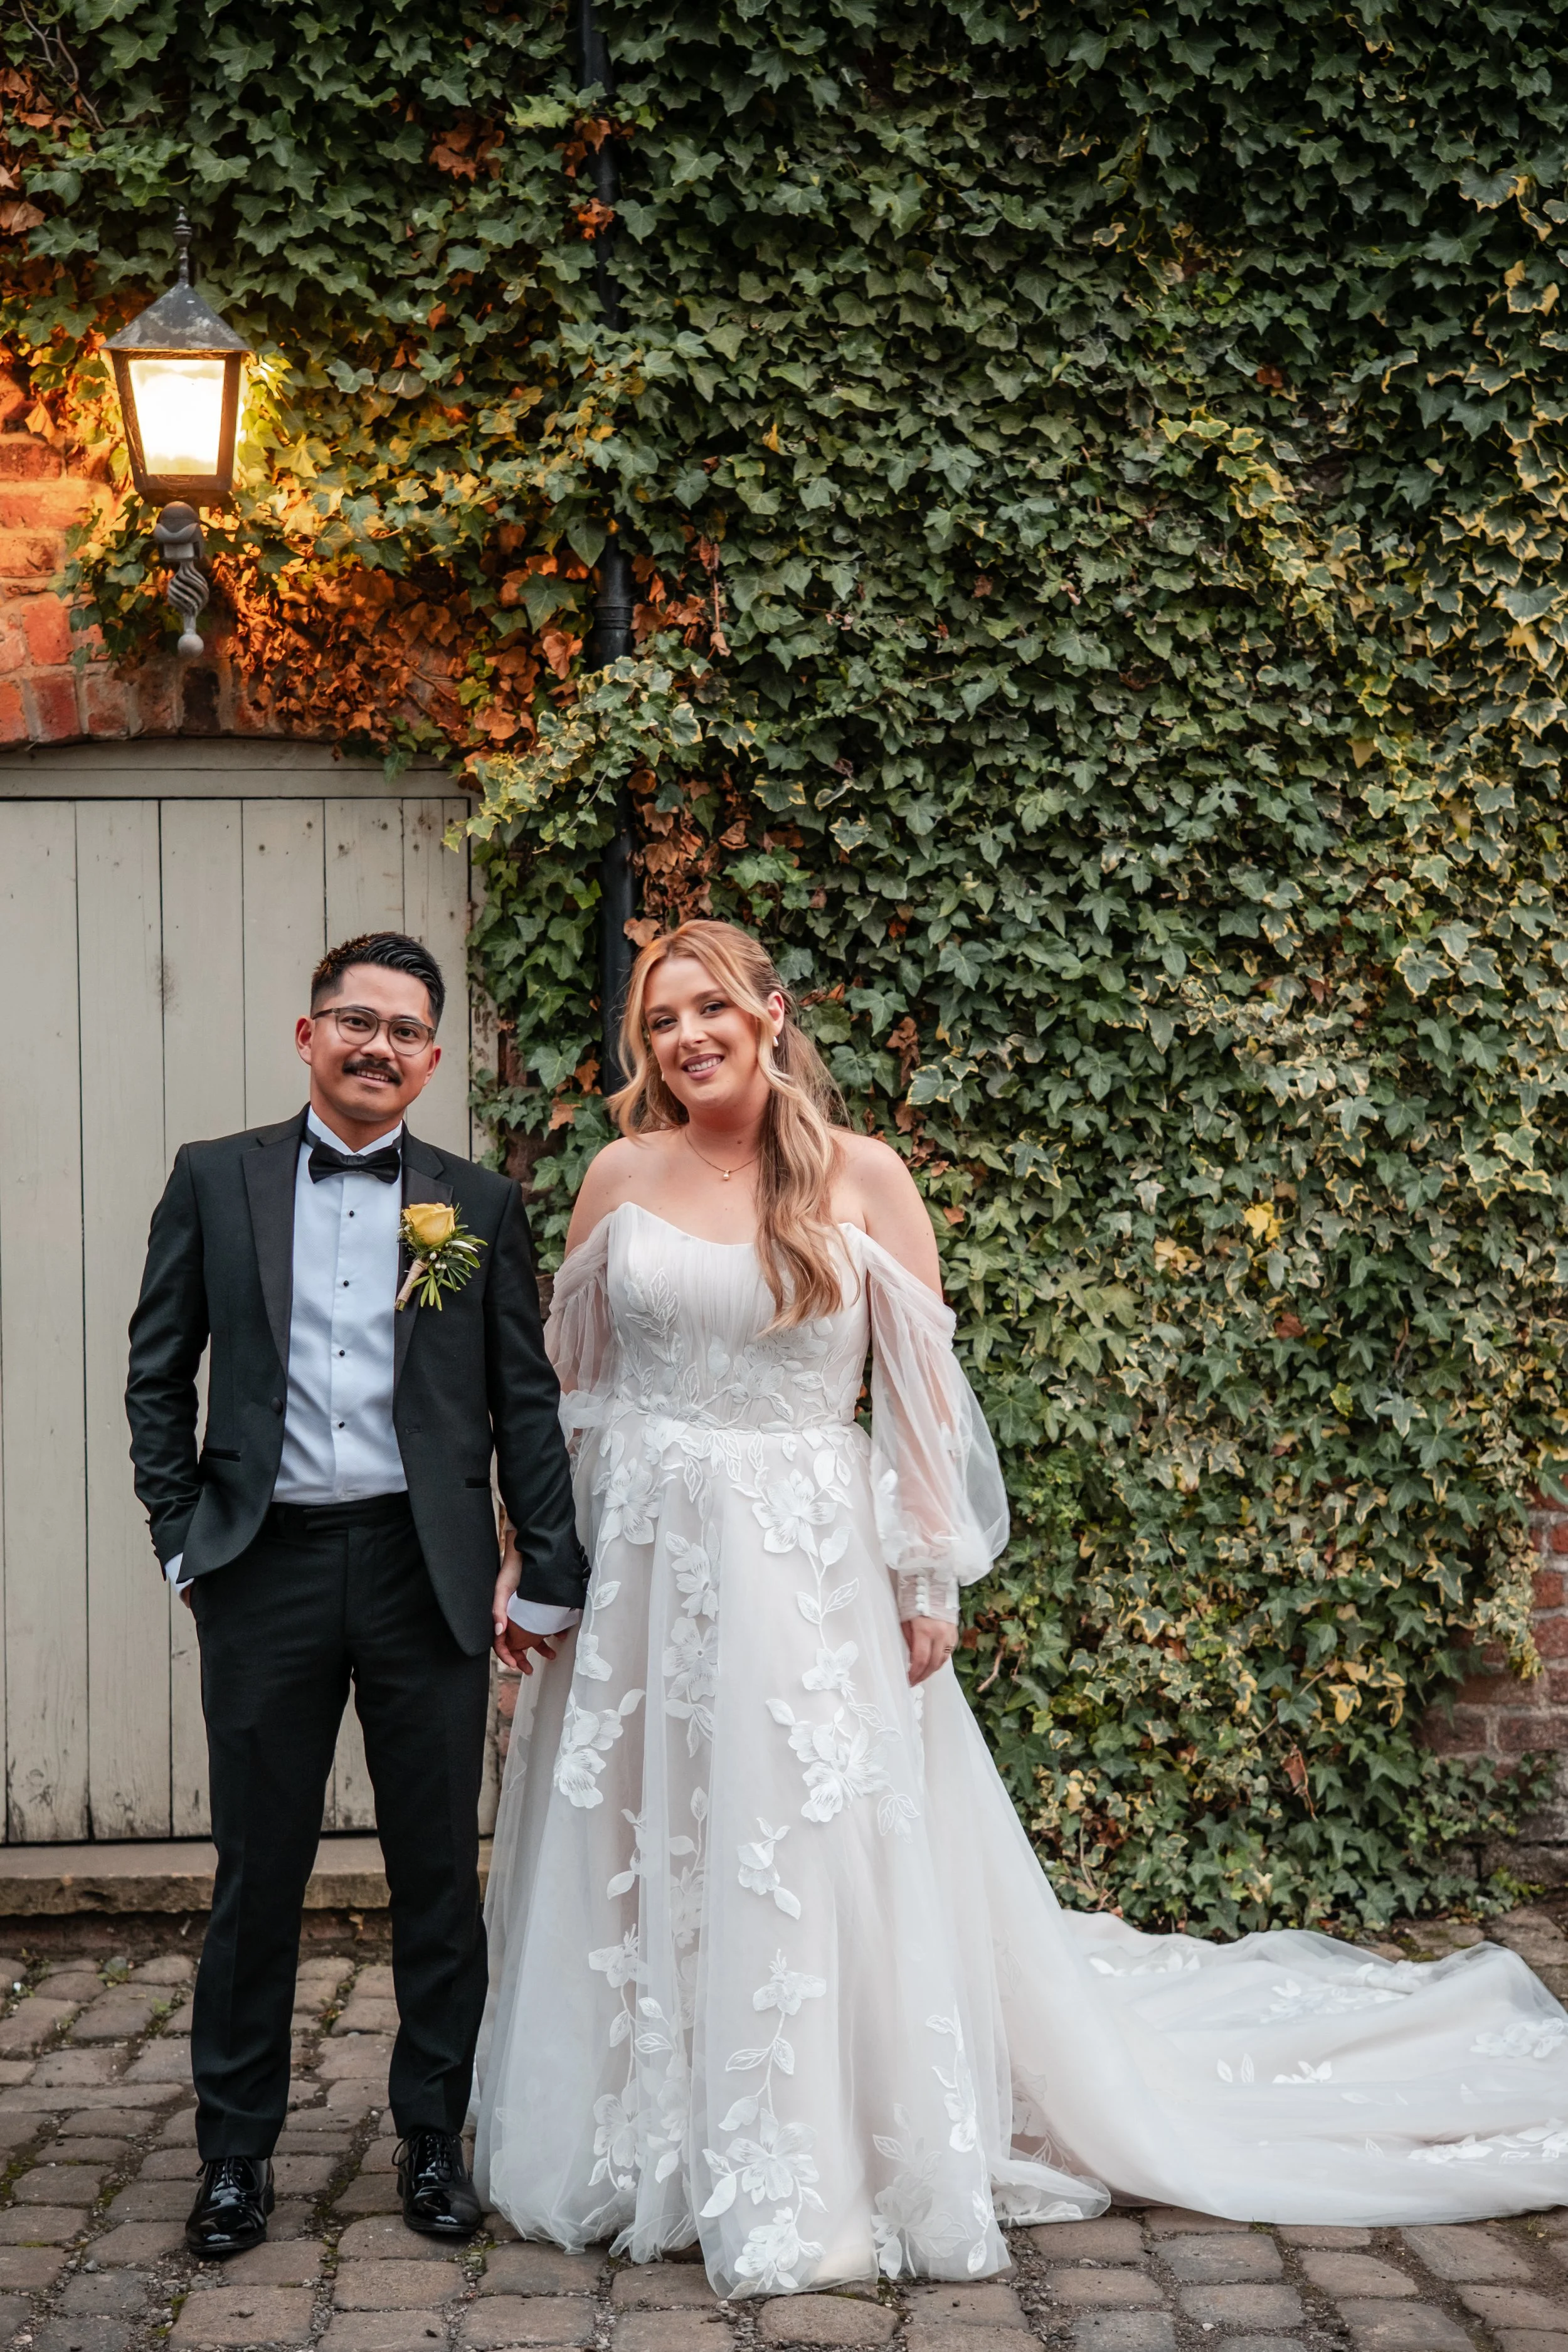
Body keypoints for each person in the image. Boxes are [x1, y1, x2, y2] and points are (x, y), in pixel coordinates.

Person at [474, 916, 1568, 2297]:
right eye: (658, 1022)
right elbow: (567, 1393)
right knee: (645, 1833)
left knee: (793, 1843)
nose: (684, 1038)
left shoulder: (861, 1177)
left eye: (706, 1009)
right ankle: (638, 2141)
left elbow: (920, 1407)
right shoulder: (616, 1173)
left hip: (802, 1566)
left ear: (767, 1011)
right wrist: (538, 1555)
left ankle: (796, 2157)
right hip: (640, 1564)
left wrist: (924, 1576)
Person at [126, 931, 585, 2258]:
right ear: (308, 1035)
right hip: (260, 1569)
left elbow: (524, 1405)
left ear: (432, 1060)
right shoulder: (216, 1181)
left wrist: (547, 1569)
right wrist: (182, 1539)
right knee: (255, 1874)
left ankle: (433, 2138)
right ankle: (232, 2156)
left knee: (436, 1875)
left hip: (421, 1570)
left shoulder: (479, 1204)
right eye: (354, 1020)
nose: (376, 1045)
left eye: (402, 1030)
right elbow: (159, 1374)